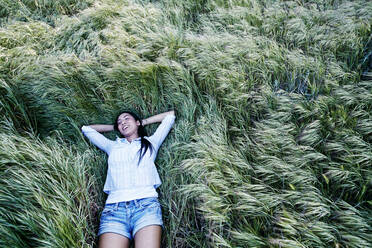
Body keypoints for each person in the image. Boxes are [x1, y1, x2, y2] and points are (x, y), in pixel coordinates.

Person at [81, 110, 176, 248]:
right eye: (119, 122)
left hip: (146, 206)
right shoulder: (112, 146)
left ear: (137, 122)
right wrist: (115, 127)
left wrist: (143, 122)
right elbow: (87, 129)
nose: (123, 122)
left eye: (126, 119)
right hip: (114, 210)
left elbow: (170, 115)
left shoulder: (151, 142)